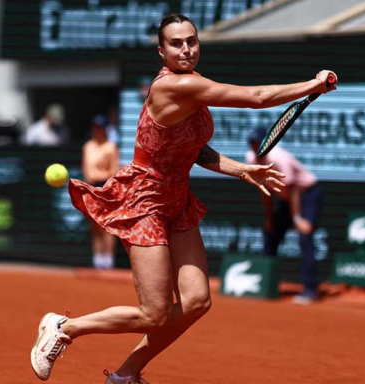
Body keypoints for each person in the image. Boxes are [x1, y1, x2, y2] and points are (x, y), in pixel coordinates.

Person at [30, 13, 336, 384]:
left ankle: (125, 376)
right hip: (144, 200)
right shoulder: (173, 87)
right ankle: (65, 327)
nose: (186, 49)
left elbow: (194, 148)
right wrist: (311, 86)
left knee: (195, 303)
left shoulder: (192, 86)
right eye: (176, 43)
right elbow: (256, 98)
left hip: (176, 198)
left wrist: (242, 169)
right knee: (155, 314)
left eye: (191, 41)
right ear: (162, 52)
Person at [246, 128, 324, 305]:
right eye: (252, 144)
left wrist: (297, 219)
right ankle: (265, 285)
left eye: (258, 143)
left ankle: (310, 290)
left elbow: (294, 189)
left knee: (305, 237)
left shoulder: (279, 158)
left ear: (267, 142)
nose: (255, 147)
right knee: (271, 235)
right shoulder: (251, 159)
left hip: (307, 195)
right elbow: (264, 191)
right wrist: (269, 219)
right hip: (287, 199)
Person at [82, 114, 120, 269]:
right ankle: (98, 258)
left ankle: (109, 259)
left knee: (107, 226)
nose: (98, 130)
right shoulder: (88, 147)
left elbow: (113, 170)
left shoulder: (110, 147)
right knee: (94, 225)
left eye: (101, 127)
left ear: (105, 129)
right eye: (96, 127)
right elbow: (85, 168)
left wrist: (106, 190)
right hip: (90, 187)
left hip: (105, 187)